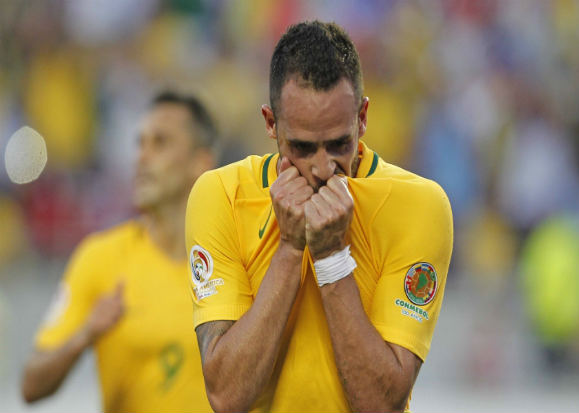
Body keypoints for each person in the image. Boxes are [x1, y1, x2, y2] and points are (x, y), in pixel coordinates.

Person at [186, 21, 453, 412]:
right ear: (270, 123)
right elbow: (227, 396)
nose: (323, 167)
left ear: (362, 117)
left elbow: (381, 404)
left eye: (339, 143)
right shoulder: (221, 195)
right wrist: (291, 248)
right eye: (303, 147)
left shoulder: (419, 205)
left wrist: (331, 257)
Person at [22, 91, 218, 412]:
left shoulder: (234, 258)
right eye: (139, 144)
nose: (142, 156)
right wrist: (84, 334)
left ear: (201, 162)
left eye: (160, 143)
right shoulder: (100, 257)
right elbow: (31, 384)